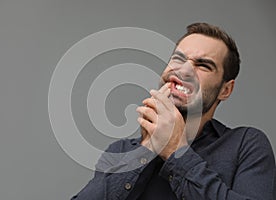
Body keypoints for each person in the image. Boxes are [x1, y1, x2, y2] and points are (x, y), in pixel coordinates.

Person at [71, 23, 276, 200]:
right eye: (178, 59)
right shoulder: (121, 151)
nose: (183, 70)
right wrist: (147, 148)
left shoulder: (246, 145)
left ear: (225, 89)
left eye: (203, 65)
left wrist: (177, 152)